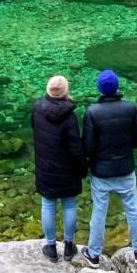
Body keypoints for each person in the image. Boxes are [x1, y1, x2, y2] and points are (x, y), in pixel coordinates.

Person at [81, 68, 137, 265]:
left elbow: (88, 146)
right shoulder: (131, 108)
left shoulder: (91, 112)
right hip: (125, 169)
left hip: (100, 172)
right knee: (132, 210)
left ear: (99, 89)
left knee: (99, 212)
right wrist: (125, 148)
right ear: (117, 87)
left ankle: (93, 254)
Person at [30, 75, 86, 262]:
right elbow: (76, 147)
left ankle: (51, 247)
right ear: (65, 92)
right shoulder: (70, 117)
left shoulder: (37, 109)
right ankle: (69, 247)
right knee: (69, 204)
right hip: (67, 169)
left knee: (48, 204)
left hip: (45, 167)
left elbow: (35, 133)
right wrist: (82, 169)